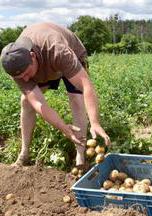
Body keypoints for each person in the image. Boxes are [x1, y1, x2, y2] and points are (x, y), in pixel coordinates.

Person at [0, 22, 110, 169]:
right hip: (45, 66)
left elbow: (86, 86)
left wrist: (95, 122)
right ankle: (24, 153)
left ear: (32, 56)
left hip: (71, 53)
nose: (25, 80)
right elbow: (39, 104)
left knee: (76, 98)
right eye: (21, 77)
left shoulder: (58, 51)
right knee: (26, 102)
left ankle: (80, 155)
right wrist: (63, 127)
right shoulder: (16, 67)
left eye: (27, 73)